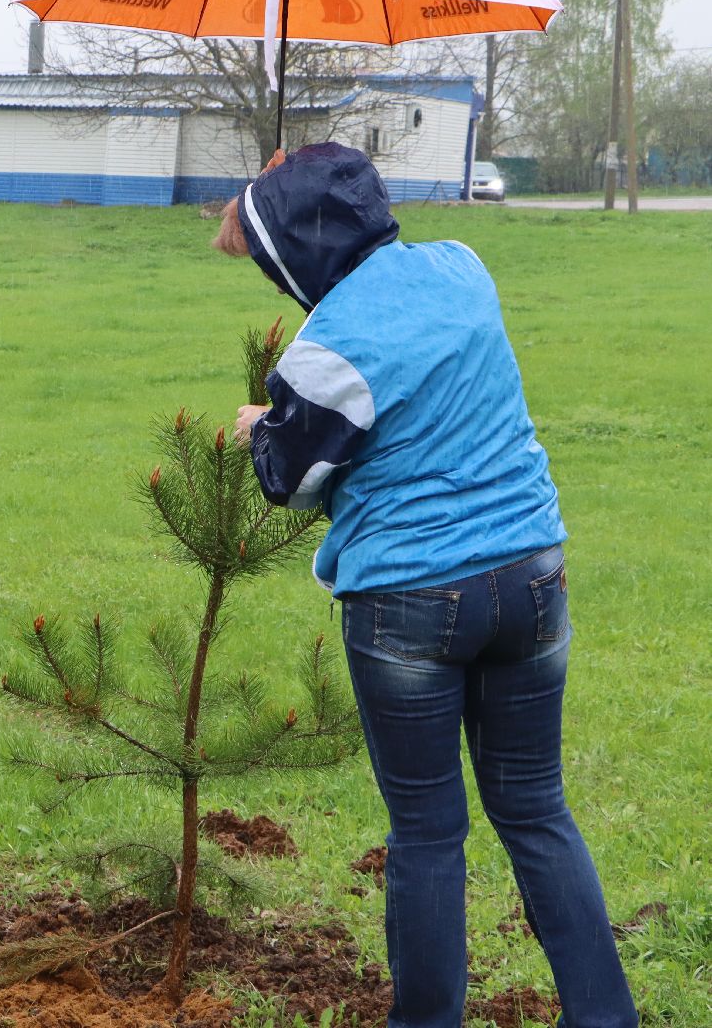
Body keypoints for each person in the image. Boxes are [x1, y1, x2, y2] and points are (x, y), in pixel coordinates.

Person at [222, 143, 637, 1028]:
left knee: (427, 835)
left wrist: (266, 425)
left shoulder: (324, 353)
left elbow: (288, 480)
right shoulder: (462, 267)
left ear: (294, 254)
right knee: (535, 808)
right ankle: (606, 1017)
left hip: (411, 602)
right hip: (533, 576)